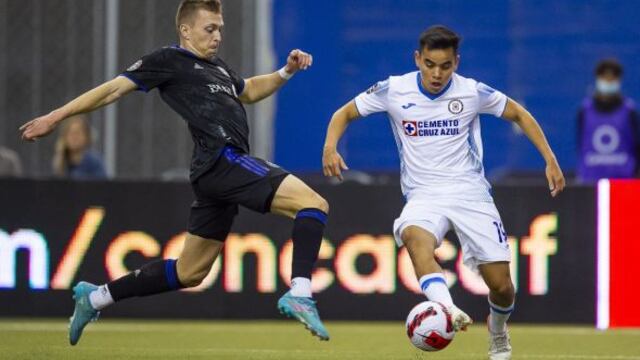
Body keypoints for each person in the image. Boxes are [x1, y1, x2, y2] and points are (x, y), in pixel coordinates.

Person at [20, 0, 330, 345]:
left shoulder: (218, 68)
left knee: (190, 272)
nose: (217, 37)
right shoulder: (167, 60)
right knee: (313, 204)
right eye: (209, 29)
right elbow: (112, 90)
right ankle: (300, 291)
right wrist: (55, 117)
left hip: (212, 174)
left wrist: (285, 71)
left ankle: (95, 298)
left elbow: (249, 91)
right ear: (185, 30)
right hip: (222, 160)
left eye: (220, 29)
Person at [322, 25, 565, 360]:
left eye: (446, 66)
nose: (437, 74)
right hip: (423, 194)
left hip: (470, 192)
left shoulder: (471, 92)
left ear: (457, 63)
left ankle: (497, 332)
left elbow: (518, 114)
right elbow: (344, 113)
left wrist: (550, 160)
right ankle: (448, 309)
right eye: (430, 64)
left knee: (502, 285)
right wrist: (330, 147)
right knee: (414, 237)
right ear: (417, 59)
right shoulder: (394, 89)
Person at [576, 58, 639, 182]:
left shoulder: (630, 111)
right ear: (598, 79)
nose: (608, 82)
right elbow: (580, 145)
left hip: (624, 183)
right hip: (591, 182)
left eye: (612, 79)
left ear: (619, 81)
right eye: (605, 78)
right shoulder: (584, 111)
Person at [52, 115, 107, 179]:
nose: (74, 137)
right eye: (71, 133)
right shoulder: (62, 160)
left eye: (78, 133)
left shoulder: (95, 162)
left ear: (87, 136)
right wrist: (60, 155)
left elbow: (102, 185)